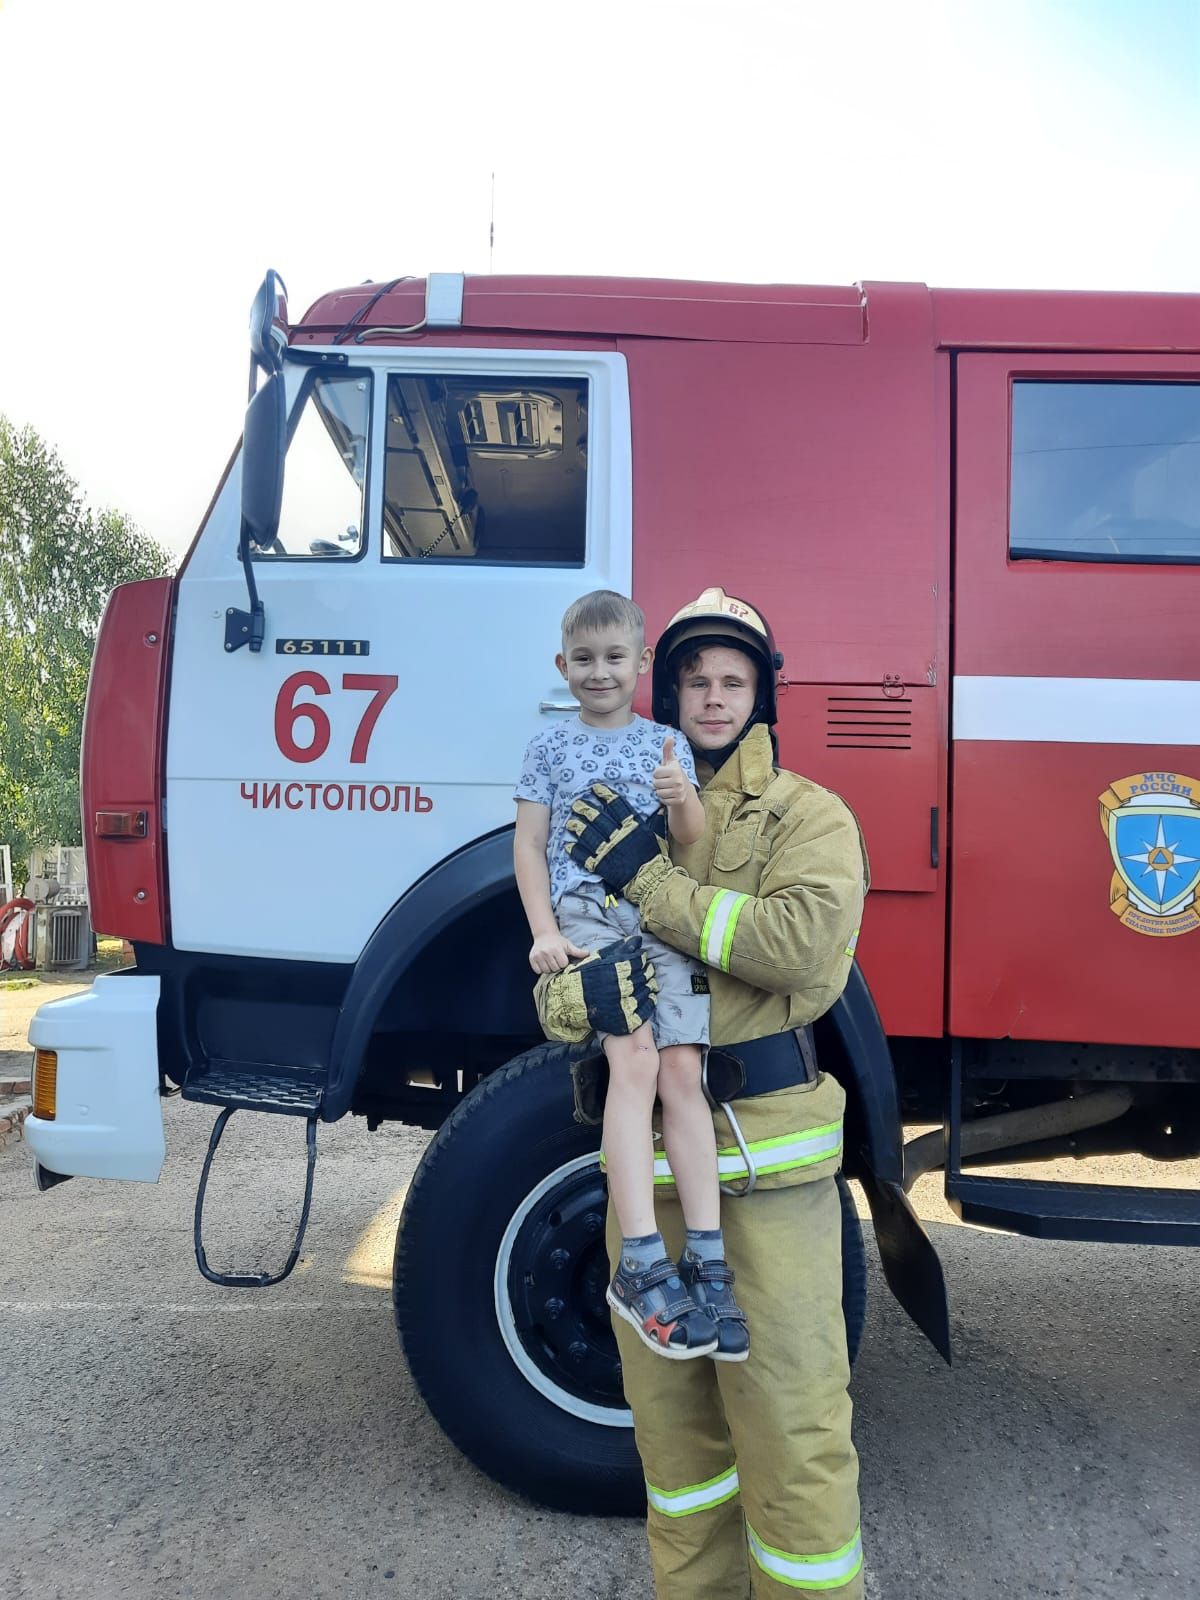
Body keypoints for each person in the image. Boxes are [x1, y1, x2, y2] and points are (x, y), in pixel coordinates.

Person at [538, 586, 869, 1600]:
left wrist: (654, 885)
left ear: (762, 692)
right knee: (678, 1468)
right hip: (650, 1203)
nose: (714, 698)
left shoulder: (808, 815)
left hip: (765, 1179)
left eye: (733, 680)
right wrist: (572, 993)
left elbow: (799, 952)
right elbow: (565, 979)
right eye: (696, 679)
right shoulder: (622, 790)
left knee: (794, 1447)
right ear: (668, 688)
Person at [514, 589, 748, 1362]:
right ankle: (641, 1259)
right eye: (584, 659)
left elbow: (690, 837)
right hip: (588, 919)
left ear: (643, 664)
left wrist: (683, 803)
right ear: (563, 666)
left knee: (685, 1070)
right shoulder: (547, 749)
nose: (600, 672)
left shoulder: (664, 743)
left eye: (615, 658)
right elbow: (529, 846)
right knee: (635, 1060)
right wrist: (545, 933)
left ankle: (707, 1261)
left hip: (654, 912)